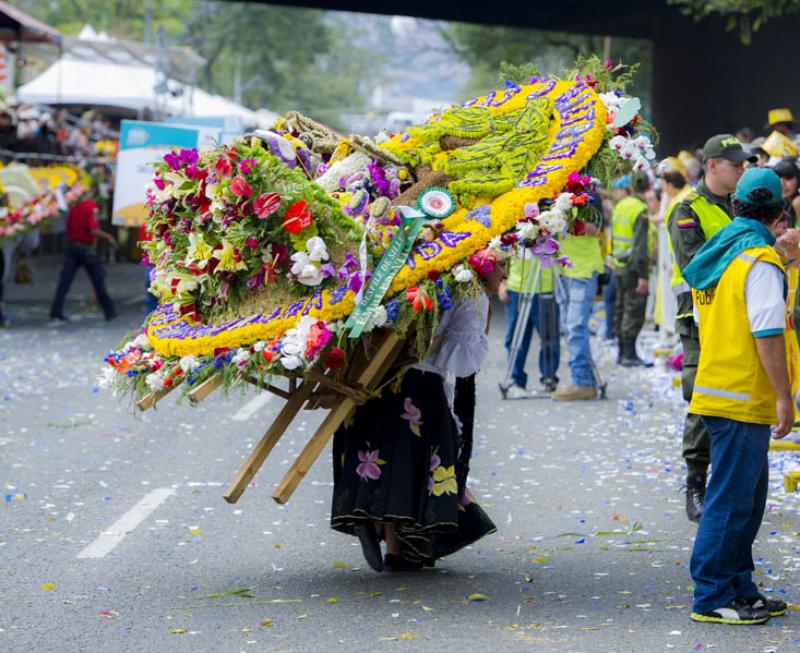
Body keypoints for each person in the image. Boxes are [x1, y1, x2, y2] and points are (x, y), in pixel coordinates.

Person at [330, 262, 500, 571]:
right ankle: (395, 544)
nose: (504, 275)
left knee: (383, 456)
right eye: (501, 266)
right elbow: (461, 363)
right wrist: (482, 335)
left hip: (368, 378)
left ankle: (378, 524)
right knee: (410, 463)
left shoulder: (399, 269)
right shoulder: (468, 294)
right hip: (419, 389)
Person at [683, 167, 795, 625]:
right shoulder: (759, 261)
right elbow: (767, 332)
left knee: (743, 500)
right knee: (731, 501)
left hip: (718, 389)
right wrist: (784, 398)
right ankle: (712, 594)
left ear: (737, 207)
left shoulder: (722, 251)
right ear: (780, 213)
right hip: (742, 395)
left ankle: (739, 586)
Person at [667, 134, 752, 523]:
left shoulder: (740, 207)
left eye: (743, 164)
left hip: (739, 313)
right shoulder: (688, 208)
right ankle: (696, 482)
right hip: (699, 318)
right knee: (704, 397)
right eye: (734, 163)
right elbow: (695, 265)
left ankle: (726, 481)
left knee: (738, 394)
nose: (741, 169)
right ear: (712, 165)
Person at [551, 194, 604, 401]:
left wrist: (567, 222)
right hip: (564, 270)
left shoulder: (588, 194)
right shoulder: (552, 194)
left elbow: (598, 229)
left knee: (575, 327)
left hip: (583, 270)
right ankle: (583, 379)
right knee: (568, 326)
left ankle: (583, 382)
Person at [499, 251, 559, 397]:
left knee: (549, 338)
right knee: (516, 338)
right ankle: (515, 380)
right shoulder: (512, 228)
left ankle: (549, 378)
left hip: (546, 287)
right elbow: (501, 254)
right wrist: (502, 283)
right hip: (517, 289)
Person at [50, 199, 117, 322]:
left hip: (72, 246)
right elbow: (92, 228)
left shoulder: (74, 206)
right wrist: (108, 236)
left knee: (64, 281)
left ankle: (56, 310)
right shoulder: (91, 206)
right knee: (98, 280)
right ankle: (110, 311)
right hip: (86, 249)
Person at [611, 173, 651, 367]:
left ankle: (621, 352)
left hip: (619, 266)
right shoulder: (640, 209)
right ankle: (629, 353)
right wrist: (643, 275)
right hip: (633, 268)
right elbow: (640, 246)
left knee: (621, 309)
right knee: (634, 310)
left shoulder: (620, 206)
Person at [771, 157, 800, 224]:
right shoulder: (782, 202)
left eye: (788, 178)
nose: (782, 184)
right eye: (778, 178)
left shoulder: (797, 201)